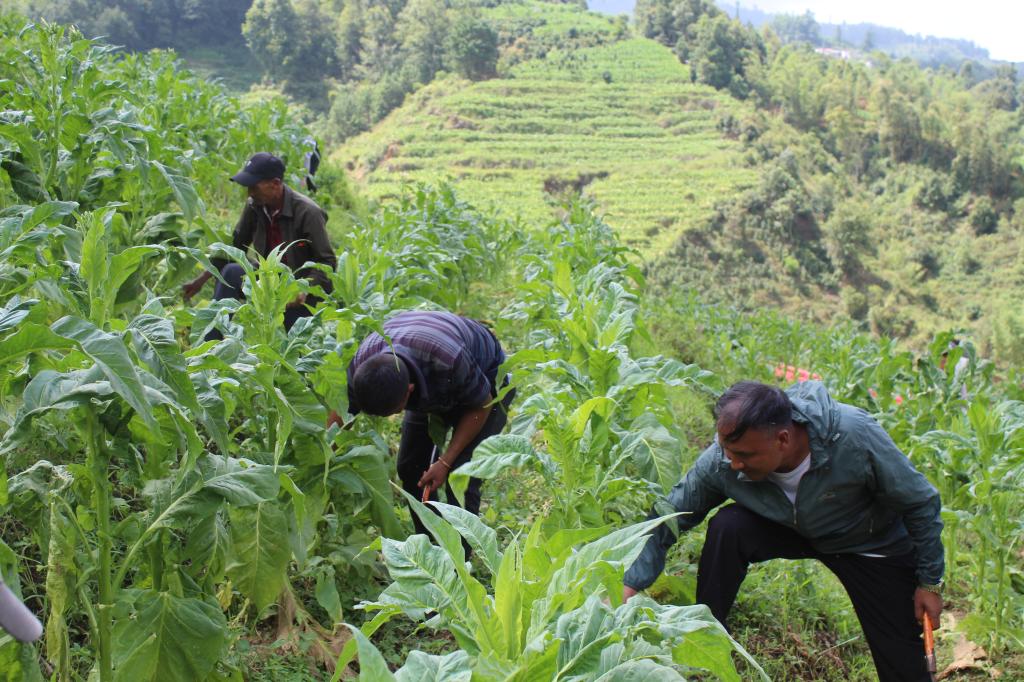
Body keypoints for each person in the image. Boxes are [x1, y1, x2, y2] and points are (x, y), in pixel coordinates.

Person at [623, 380, 944, 682]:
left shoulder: (853, 435)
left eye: (744, 455)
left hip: (866, 541)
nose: (732, 463)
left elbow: (919, 502)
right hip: (788, 527)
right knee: (728, 526)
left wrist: (929, 581)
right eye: (727, 451)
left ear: (783, 439)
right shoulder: (723, 460)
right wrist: (628, 581)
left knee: (903, 661)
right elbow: (668, 517)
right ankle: (707, 630)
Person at [331, 311, 514, 537]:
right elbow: (340, 414)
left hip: (487, 382)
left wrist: (445, 463)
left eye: (397, 410)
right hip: (430, 376)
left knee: (463, 474)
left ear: (409, 391)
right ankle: (430, 545)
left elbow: (481, 406)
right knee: (411, 467)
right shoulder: (364, 366)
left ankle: (461, 562)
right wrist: (326, 455)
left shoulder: (449, 360)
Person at [182, 152, 337, 332]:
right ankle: (211, 344)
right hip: (268, 280)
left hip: (297, 292)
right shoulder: (254, 206)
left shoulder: (308, 213)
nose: (250, 193)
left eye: (254, 187)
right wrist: (201, 280)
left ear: (276, 184)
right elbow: (235, 249)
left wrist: (303, 288)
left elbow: (327, 262)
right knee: (231, 272)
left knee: (297, 345)